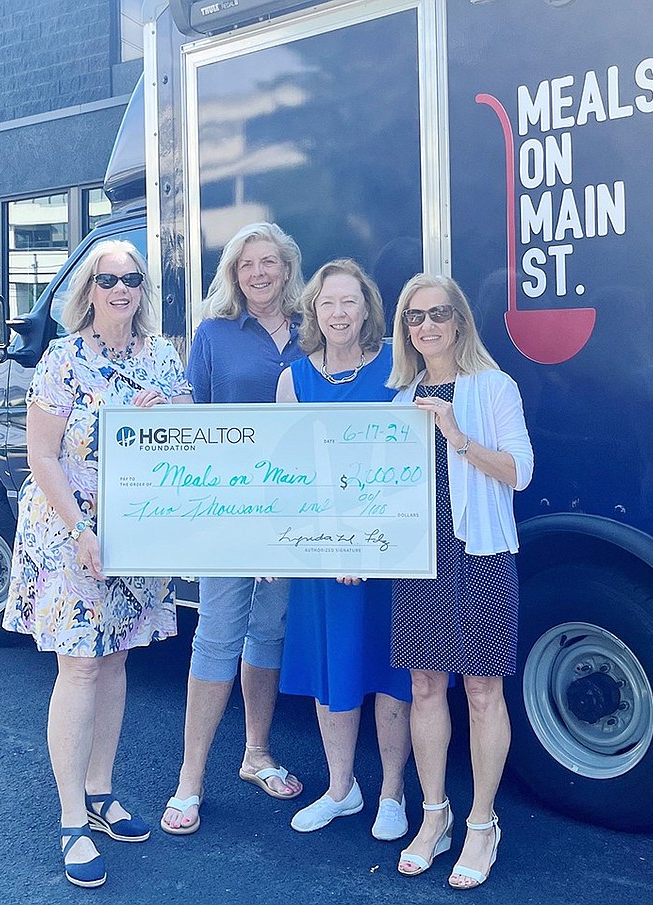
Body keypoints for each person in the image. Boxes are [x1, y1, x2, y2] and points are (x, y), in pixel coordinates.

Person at [3, 239, 193, 888]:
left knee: (116, 655)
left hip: (137, 532)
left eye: (131, 278)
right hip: (71, 530)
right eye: (108, 277)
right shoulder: (62, 358)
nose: (121, 288)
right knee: (80, 662)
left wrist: (167, 410)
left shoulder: (161, 356)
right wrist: (82, 527)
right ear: (88, 288)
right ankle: (71, 818)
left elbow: (192, 426)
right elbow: (42, 456)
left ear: (142, 288)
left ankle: (102, 790)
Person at [386, 274, 533, 890]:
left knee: (481, 692)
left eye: (438, 314)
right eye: (415, 317)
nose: (427, 326)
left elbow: (519, 471)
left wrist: (455, 435)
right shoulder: (398, 401)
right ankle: (434, 814)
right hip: (422, 558)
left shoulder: (493, 387)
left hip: (481, 553)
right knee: (424, 687)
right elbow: (385, 494)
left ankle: (481, 822)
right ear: (406, 330)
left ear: (459, 321)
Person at [162, 222, 306, 835]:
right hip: (229, 507)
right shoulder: (215, 334)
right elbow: (191, 413)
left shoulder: (313, 331)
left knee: (270, 630)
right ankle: (189, 780)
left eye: (268, 262)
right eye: (247, 265)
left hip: (295, 507)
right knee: (218, 631)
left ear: (286, 267)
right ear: (233, 274)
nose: (258, 273)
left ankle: (256, 754)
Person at [275, 259, 412, 839]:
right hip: (322, 554)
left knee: (389, 672)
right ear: (313, 310)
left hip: (387, 551)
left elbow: (410, 465)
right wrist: (328, 543)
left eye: (349, 302)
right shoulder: (293, 380)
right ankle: (341, 789)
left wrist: (366, 542)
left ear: (367, 309)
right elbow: (286, 471)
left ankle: (391, 794)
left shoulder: (397, 371)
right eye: (327, 302)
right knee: (332, 669)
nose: (338, 313)